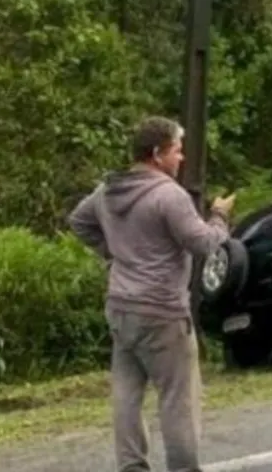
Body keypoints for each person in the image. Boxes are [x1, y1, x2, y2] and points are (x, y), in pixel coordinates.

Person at [67, 116, 235, 472]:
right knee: (178, 399)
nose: (181, 158)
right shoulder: (169, 195)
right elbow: (203, 243)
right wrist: (219, 216)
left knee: (127, 395)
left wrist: (113, 253)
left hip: (121, 306)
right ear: (157, 154)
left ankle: (132, 466)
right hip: (163, 312)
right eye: (177, 150)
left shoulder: (108, 190)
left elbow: (79, 221)